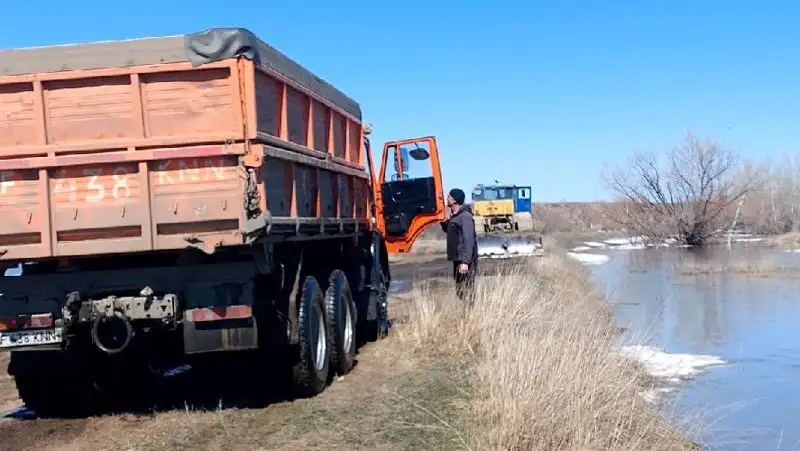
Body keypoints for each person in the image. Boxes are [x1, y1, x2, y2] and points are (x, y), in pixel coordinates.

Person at [440, 188, 478, 302]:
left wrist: (465, 262)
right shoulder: (455, 216)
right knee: (459, 290)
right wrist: (444, 223)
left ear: (455, 200)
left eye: (449, 197)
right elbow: (452, 232)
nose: (447, 198)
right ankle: (467, 314)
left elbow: (468, 239)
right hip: (457, 259)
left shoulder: (465, 216)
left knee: (467, 289)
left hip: (465, 260)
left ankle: (472, 315)